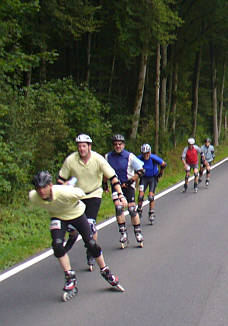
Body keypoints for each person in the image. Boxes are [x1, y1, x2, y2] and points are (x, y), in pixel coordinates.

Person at [29, 171, 124, 299]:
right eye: (38, 188)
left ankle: (105, 271)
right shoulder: (34, 197)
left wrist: (69, 188)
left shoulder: (64, 192)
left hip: (76, 214)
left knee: (91, 243)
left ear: (50, 185)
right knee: (57, 245)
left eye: (44, 187)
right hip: (58, 217)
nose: (41, 191)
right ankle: (70, 277)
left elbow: (81, 193)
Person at [57, 134, 127, 270]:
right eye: (79, 146)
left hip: (94, 194)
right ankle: (73, 235)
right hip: (76, 196)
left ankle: (91, 252)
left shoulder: (98, 159)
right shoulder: (71, 160)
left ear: (89, 147)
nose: (81, 149)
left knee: (90, 225)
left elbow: (113, 177)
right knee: (73, 226)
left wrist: (120, 194)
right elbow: (60, 179)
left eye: (84, 146)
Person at [105, 134, 145, 248]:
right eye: (116, 144)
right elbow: (105, 170)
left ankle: (138, 232)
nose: (118, 146)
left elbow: (141, 171)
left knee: (132, 209)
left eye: (120, 144)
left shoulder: (129, 156)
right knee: (118, 208)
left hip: (129, 186)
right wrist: (104, 184)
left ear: (123, 145)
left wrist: (130, 180)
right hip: (115, 186)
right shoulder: (108, 157)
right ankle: (123, 233)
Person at [137, 144, 167, 224]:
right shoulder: (139, 158)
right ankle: (139, 209)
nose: (146, 155)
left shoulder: (153, 157)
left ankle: (151, 212)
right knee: (140, 196)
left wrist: (161, 173)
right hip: (143, 178)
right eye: (144, 153)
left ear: (150, 152)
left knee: (151, 196)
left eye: (147, 153)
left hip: (153, 178)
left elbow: (164, 164)